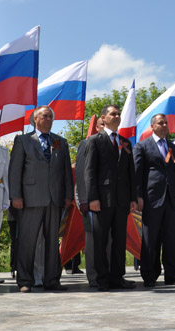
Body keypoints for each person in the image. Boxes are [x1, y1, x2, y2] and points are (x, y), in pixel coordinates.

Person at [8, 106, 73, 293]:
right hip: (30, 199)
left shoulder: (60, 142)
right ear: (35, 119)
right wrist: (16, 196)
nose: (49, 119)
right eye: (45, 116)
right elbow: (15, 171)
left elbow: (66, 171)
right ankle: (25, 281)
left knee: (52, 242)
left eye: (51, 117)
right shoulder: (23, 140)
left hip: (54, 199)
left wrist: (68, 195)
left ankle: (52, 280)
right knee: (27, 242)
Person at [84, 105, 138, 291]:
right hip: (102, 199)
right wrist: (92, 198)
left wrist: (132, 197)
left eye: (118, 114)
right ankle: (101, 278)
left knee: (119, 240)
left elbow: (130, 172)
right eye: (112, 113)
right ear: (103, 118)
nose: (116, 116)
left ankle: (117, 276)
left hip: (121, 200)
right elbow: (89, 171)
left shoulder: (125, 142)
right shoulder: (95, 140)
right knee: (100, 241)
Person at [134, 114, 175, 287]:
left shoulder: (173, 148)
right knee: (150, 239)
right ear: (152, 126)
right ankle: (149, 275)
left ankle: (171, 274)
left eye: (166, 123)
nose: (164, 125)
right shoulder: (142, 146)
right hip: (151, 198)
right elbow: (137, 174)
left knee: (171, 238)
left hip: (172, 199)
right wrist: (138, 196)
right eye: (160, 123)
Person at [75, 117, 104, 287]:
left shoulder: (115, 143)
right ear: (97, 127)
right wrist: (84, 200)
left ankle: (107, 274)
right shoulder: (86, 144)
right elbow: (80, 173)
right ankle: (94, 276)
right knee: (92, 240)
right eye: (102, 125)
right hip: (91, 202)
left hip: (110, 202)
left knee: (109, 240)